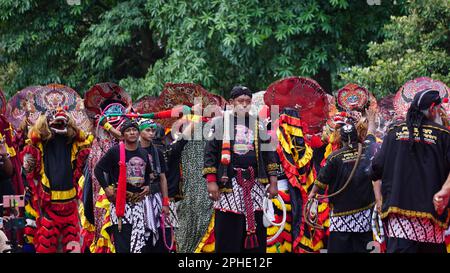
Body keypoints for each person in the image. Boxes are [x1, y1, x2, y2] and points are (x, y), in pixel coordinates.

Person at [371, 89, 450, 253]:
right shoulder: (443, 135)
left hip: (399, 218)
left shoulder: (393, 132)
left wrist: (379, 199)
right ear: (433, 109)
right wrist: (444, 190)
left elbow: (376, 169)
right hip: (432, 217)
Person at [203, 85, 278, 253]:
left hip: (255, 184)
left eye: (248, 101)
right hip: (229, 182)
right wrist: (211, 182)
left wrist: (273, 182)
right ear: (231, 103)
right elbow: (210, 154)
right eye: (240, 101)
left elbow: (269, 154)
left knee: (256, 228)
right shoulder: (220, 123)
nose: (244, 104)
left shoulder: (258, 124)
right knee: (229, 228)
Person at [21, 108, 92, 253]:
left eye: (62, 121)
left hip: (70, 201)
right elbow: (28, 168)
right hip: (47, 202)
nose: (59, 123)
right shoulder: (41, 141)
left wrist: (68, 122)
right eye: (55, 120)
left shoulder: (72, 140)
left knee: (72, 241)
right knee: (47, 242)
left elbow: (83, 140)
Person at [308, 108, 378, 253]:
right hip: (364, 212)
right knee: (363, 248)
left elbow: (321, 180)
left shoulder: (334, 157)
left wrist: (311, 195)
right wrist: (371, 119)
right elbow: (371, 133)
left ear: (342, 139)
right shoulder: (367, 149)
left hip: (341, 215)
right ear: (357, 135)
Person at [94, 119, 153, 253]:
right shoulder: (115, 152)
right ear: (123, 134)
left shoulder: (144, 153)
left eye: (134, 130)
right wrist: (107, 189)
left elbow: (149, 174)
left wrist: (148, 186)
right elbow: (98, 170)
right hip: (121, 203)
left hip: (138, 205)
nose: (132, 132)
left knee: (138, 245)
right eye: (128, 130)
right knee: (123, 245)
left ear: (138, 133)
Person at [138, 118, 171, 252]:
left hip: (155, 197)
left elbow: (163, 178)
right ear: (140, 132)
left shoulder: (157, 152)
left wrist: (165, 202)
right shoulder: (131, 149)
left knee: (156, 236)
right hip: (137, 199)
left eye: (153, 130)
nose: (151, 133)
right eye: (148, 130)